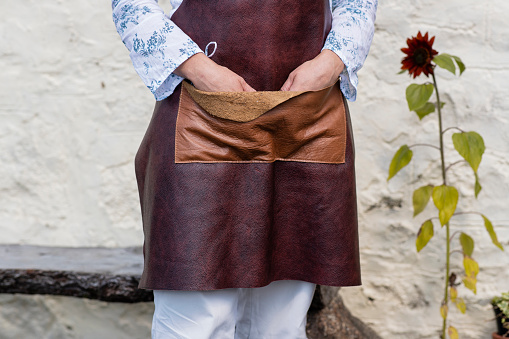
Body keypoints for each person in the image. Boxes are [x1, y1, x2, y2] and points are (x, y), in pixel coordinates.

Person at [112, 0, 377, 338]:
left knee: (280, 326)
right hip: (202, 120)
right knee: (194, 325)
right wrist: (198, 68)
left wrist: (332, 61)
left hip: (304, 118)